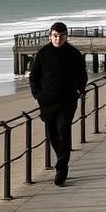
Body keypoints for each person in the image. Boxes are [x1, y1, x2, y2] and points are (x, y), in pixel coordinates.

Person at [29, 21, 88, 185]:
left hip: (67, 101)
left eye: (61, 36)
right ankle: (61, 161)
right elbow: (33, 77)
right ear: (51, 36)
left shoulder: (74, 53)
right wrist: (38, 96)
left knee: (63, 131)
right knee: (53, 135)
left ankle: (61, 169)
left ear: (66, 36)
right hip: (47, 102)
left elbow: (82, 75)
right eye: (55, 36)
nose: (58, 39)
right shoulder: (43, 53)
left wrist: (79, 91)